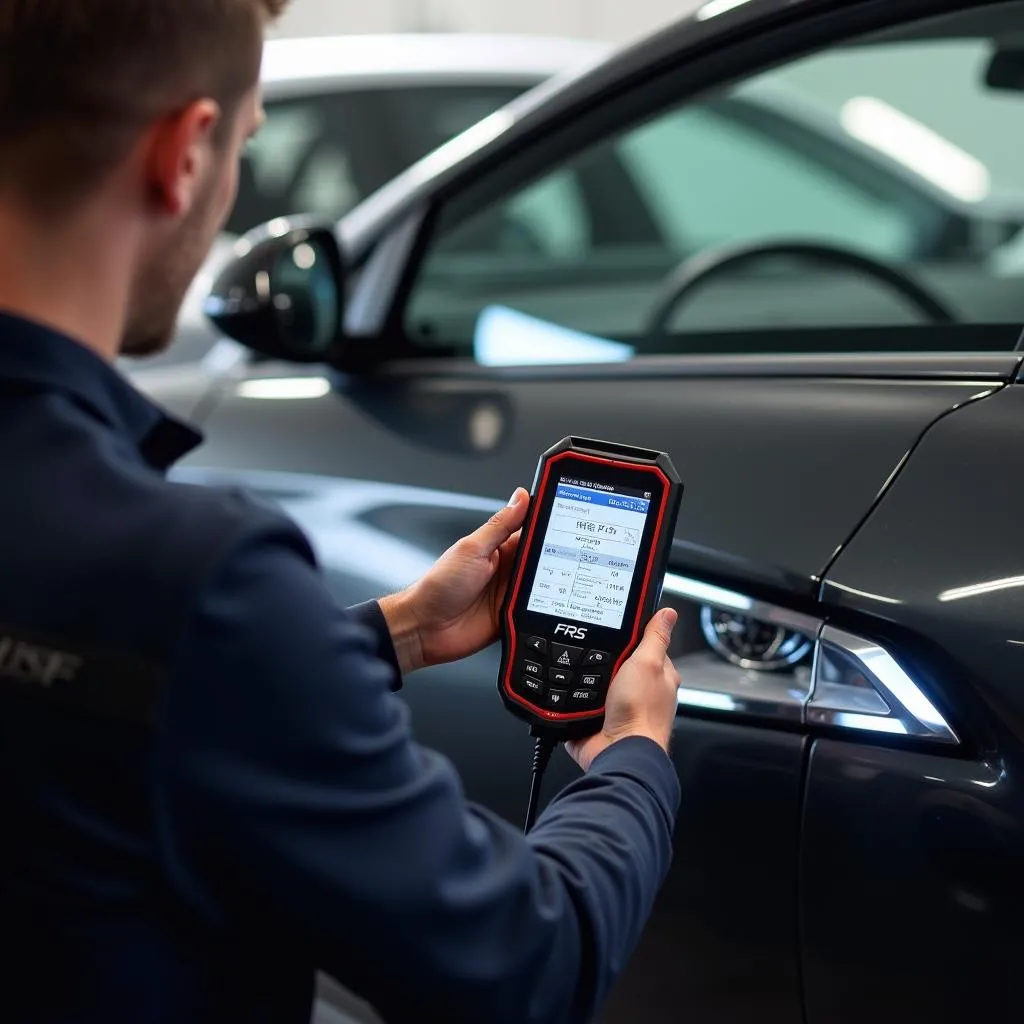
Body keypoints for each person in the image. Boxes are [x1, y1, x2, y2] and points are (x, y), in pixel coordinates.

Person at [0, 3, 683, 1023]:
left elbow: (144, 705)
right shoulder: (195, 579)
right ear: (185, 153)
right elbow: (531, 961)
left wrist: (394, 632)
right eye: (245, 142)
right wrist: (634, 762)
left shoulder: (169, 594)